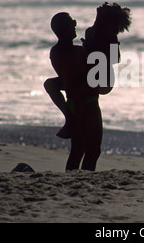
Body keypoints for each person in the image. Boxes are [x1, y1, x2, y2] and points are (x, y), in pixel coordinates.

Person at [43, 12, 102, 171]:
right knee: (93, 151)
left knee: (77, 151)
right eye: (71, 22)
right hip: (88, 105)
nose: (75, 24)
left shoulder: (55, 52)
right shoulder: (78, 52)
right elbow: (91, 79)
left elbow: (67, 78)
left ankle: (71, 179)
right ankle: (85, 182)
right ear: (64, 29)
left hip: (73, 104)